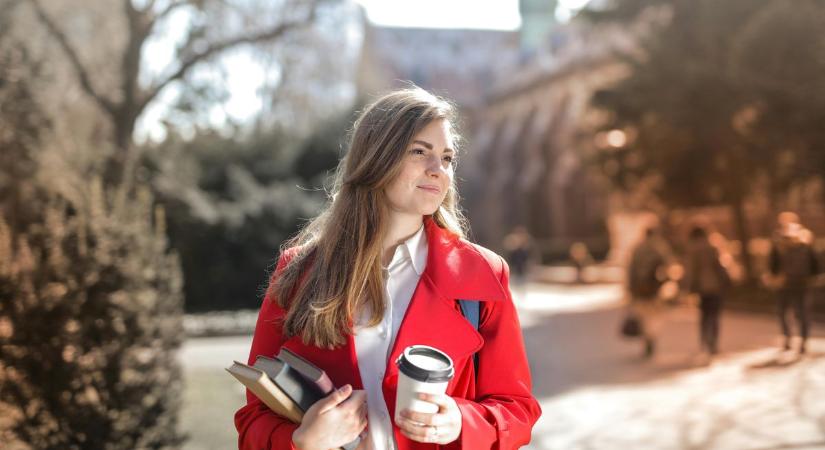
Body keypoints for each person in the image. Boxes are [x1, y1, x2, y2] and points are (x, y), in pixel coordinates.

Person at [234, 87, 542, 450]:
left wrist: (462, 421)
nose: (437, 170)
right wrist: (300, 441)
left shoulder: (484, 274)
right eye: (419, 152)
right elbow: (253, 419)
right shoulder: (299, 272)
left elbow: (518, 410)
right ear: (376, 159)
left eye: (447, 158)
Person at [766, 212, 819, 354]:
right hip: (802, 282)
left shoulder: (778, 240)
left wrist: (772, 277)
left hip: (783, 283)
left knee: (783, 312)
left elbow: (772, 263)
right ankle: (803, 341)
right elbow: (815, 262)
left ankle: (788, 338)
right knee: (802, 313)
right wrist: (813, 276)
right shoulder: (805, 239)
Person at [682, 225, 731, 356]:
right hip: (715, 286)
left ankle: (704, 341)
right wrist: (726, 281)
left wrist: (688, 288)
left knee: (704, 316)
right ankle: (713, 343)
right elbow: (721, 266)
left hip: (701, 288)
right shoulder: (713, 246)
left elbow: (690, 271)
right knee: (714, 316)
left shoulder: (692, 249)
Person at [626, 226, 672, 358]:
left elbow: (631, 270)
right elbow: (668, 266)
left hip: (639, 289)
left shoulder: (638, 249)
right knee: (653, 316)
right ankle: (651, 338)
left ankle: (647, 339)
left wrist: (630, 288)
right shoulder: (659, 248)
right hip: (654, 289)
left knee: (643, 315)